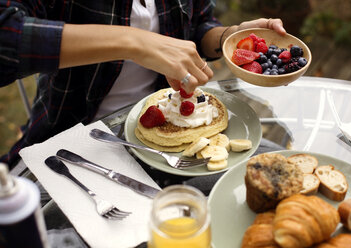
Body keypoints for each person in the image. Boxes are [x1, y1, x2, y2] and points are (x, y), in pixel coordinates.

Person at [0, 0, 286, 168]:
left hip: (167, 142)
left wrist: (229, 37)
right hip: (75, 139)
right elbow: (7, 36)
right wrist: (133, 41)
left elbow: (198, 26)